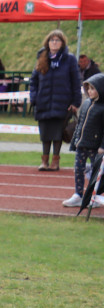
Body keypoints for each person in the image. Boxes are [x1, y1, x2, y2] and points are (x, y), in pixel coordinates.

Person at [29, 30, 81, 172]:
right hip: (43, 102)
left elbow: (76, 82)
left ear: (62, 42)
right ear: (48, 42)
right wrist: (34, 98)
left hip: (62, 103)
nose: (54, 42)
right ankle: (44, 161)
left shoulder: (69, 59)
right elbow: (33, 81)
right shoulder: (42, 57)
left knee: (58, 133)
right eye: (52, 40)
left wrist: (76, 102)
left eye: (57, 40)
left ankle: (55, 161)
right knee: (45, 134)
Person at [63, 73, 104, 207]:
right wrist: (75, 140)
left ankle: (94, 196)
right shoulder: (86, 104)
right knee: (78, 169)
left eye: (93, 88)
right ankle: (78, 195)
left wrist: (102, 146)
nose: (90, 91)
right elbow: (80, 123)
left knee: (96, 173)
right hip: (82, 144)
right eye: (89, 88)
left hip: (95, 147)